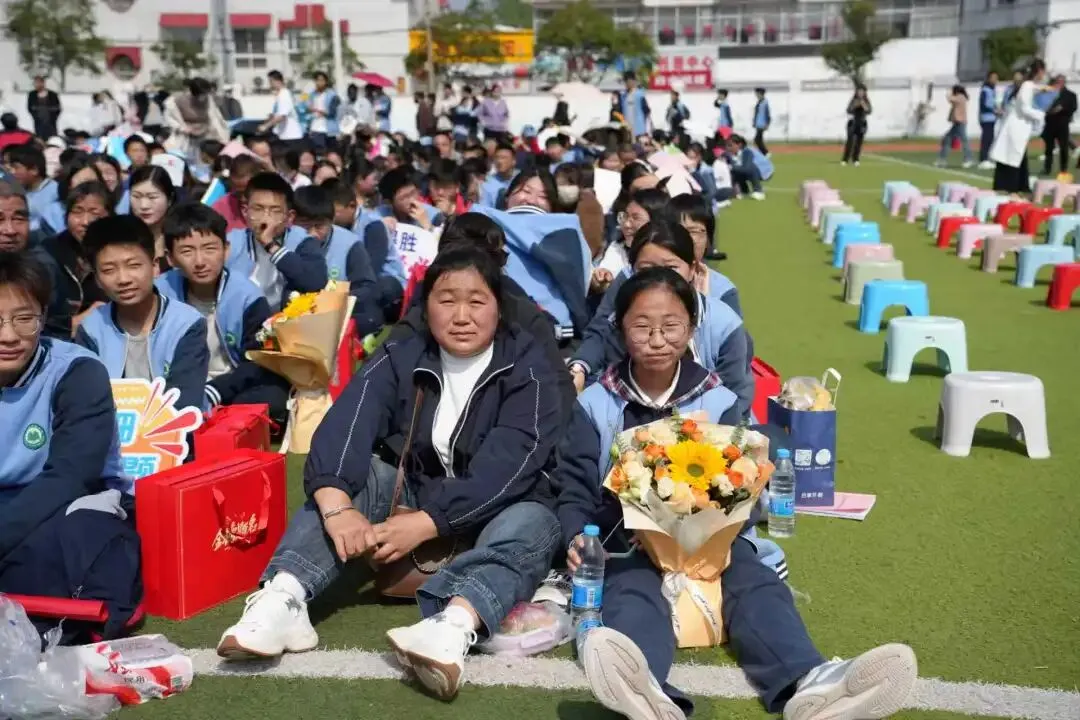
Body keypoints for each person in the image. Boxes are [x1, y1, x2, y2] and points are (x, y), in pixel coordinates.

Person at [553, 272, 917, 720]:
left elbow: (736, 485)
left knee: (757, 585)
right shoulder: (595, 402)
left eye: (671, 326)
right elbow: (573, 484)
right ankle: (648, 690)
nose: (657, 339)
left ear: (690, 328)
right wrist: (576, 537)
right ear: (619, 328)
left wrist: (715, 533)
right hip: (627, 542)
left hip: (713, 544)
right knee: (632, 593)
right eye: (642, 326)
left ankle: (812, 682)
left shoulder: (718, 399)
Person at [216, 247, 565, 701]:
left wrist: (424, 524)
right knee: (365, 476)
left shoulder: (530, 368)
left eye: (476, 301)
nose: (461, 315)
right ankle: (284, 599)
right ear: (426, 305)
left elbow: (508, 468)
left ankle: (452, 625)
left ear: (499, 307)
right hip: (417, 494)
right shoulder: (402, 355)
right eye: (446, 299)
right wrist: (337, 506)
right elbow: (346, 426)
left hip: (500, 509)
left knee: (535, 521)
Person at [0, 252, 141, 640]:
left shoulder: (77, 372)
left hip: (71, 501)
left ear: (43, 317)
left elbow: (71, 476)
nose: (8, 335)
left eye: (23, 318)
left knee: (51, 556)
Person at [570, 222, 751, 414]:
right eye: (646, 269)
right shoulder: (623, 320)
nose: (660, 278)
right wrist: (579, 369)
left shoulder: (725, 324)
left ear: (692, 269)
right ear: (631, 271)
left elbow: (736, 398)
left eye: (672, 268)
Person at [157, 202, 288, 426]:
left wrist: (216, 390)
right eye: (187, 251)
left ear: (226, 250)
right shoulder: (159, 294)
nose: (200, 262)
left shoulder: (247, 295)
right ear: (170, 258)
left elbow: (258, 360)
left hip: (230, 383)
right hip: (178, 384)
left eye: (210, 249)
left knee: (274, 396)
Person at [74, 215, 209, 413]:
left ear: (154, 266)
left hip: (176, 435)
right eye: (109, 270)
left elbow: (184, 402)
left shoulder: (187, 323)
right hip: (113, 435)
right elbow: (88, 398)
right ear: (97, 278)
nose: (123, 279)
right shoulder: (91, 328)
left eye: (134, 265)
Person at [224, 172, 328, 310]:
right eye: (258, 209)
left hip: (287, 322)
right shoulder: (231, 242)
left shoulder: (303, 242)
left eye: (275, 211)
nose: (266, 218)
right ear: (245, 211)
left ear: (290, 217)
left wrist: (271, 245)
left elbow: (316, 282)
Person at [292, 185, 384, 337]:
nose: (313, 234)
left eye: (319, 226)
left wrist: (332, 300)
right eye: (305, 226)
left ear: (331, 221)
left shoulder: (350, 244)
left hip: (336, 314)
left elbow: (368, 288)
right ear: (292, 220)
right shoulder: (285, 242)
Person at [42, 181, 114, 337]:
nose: (85, 222)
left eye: (94, 213)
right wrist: (74, 323)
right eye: (77, 212)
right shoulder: (49, 252)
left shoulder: (121, 250)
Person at [990, 59, 1047, 196]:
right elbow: (1024, 108)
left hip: (1018, 126)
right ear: (1039, 71)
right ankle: (1011, 188)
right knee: (1012, 157)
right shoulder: (1027, 85)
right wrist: (1041, 114)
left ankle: (1021, 186)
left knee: (1017, 157)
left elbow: (1036, 89)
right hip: (1017, 127)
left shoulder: (1028, 85)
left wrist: (1046, 89)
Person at [163, 77, 229, 161]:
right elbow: (169, 118)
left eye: (206, 94)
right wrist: (181, 128)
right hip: (185, 138)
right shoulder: (178, 100)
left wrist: (223, 138)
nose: (204, 97)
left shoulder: (209, 100)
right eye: (202, 95)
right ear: (194, 93)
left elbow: (216, 119)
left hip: (205, 136)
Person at [128, 165, 177, 274]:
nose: (144, 205)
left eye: (152, 197)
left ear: (169, 199)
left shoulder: (180, 238)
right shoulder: (121, 239)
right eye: (136, 196)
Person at [5, 144, 57, 234]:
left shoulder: (54, 192)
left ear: (34, 170)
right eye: (10, 167)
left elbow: (48, 223)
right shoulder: (19, 191)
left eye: (16, 167)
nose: (11, 172)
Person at [1041, 74, 1076, 177]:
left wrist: (1063, 108)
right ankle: (1047, 168)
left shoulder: (1070, 94)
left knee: (1064, 148)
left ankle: (1063, 169)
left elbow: (1073, 107)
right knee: (1048, 148)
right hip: (1050, 124)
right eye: (1057, 81)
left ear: (1064, 82)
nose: (1059, 83)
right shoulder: (1049, 93)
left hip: (1062, 124)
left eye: (1061, 81)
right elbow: (1044, 105)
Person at [259, 71, 304, 146]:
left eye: (270, 81)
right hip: (285, 135)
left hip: (290, 136)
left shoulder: (284, 94)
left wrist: (265, 126)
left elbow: (282, 116)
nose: (270, 84)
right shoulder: (281, 94)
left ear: (275, 81)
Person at [936, 85, 973, 168]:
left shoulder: (960, 97)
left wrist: (949, 92)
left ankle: (968, 159)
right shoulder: (960, 97)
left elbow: (950, 99)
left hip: (960, 122)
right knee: (947, 139)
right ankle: (942, 159)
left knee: (964, 141)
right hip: (957, 122)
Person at [727, 133, 770, 200]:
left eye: (730, 145)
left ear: (739, 145)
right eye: (727, 145)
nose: (728, 148)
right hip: (756, 170)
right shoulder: (736, 153)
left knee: (748, 167)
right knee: (737, 168)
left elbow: (746, 168)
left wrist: (731, 167)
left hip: (765, 171)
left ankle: (759, 191)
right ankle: (744, 190)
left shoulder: (747, 151)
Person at [307, 71, 340, 152]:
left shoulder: (333, 95)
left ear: (326, 82)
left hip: (330, 129)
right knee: (319, 153)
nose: (319, 82)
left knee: (332, 153)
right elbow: (306, 108)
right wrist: (309, 109)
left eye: (322, 80)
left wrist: (317, 110)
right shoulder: (311, 95)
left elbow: (332, 113)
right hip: (316, 129)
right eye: (317, 80)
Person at [479, 142, 518, 208]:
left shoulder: (522, 180)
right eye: (497, 157)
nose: (499, 161)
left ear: (513, 161)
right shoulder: (487, 183)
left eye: (504, 158)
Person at [842, 85, 871, 166]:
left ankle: (856, 159)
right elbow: (848, 110)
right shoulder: (853, 100)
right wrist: (856, 105)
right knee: (850, 141)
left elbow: (869, 111)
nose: (860, 93)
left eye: (862, 91)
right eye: (859, 91)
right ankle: (845, 159)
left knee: (859, 142)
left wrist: (864, 105)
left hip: (862, 123)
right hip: (852, 122)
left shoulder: (866, 101)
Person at [977, 71, 1000, 169]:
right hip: (986, 118)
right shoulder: (985, 90)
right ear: (988, 78)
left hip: (992, 118)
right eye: (993, 78)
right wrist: (994, 110)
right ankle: (983, 159)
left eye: (996, 78)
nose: (995, 80)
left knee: (990, 139)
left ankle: (987, 158)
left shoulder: (992, 90)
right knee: (986, 139)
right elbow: (984, 105)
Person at [620, 72, 651, 139]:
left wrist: (646, 129)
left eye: (629, 81)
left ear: (634, 81)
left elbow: (647, 111)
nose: (627, 84)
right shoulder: (623, 96)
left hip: (639, 131)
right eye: (626, 82)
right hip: (627, 130)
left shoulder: (640, 95)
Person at [752, 87, 771, 156]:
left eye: (757, 93)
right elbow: (756, 113)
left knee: (757, 140)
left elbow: (768, 114)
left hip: (762, 124)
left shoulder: (765, 103)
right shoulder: (759, 102)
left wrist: (767, 124)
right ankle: (764, 153)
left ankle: (765, 153)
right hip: (758, 123)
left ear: (760, 94)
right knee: (758, 140)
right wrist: (754, 122)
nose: (756, 95)